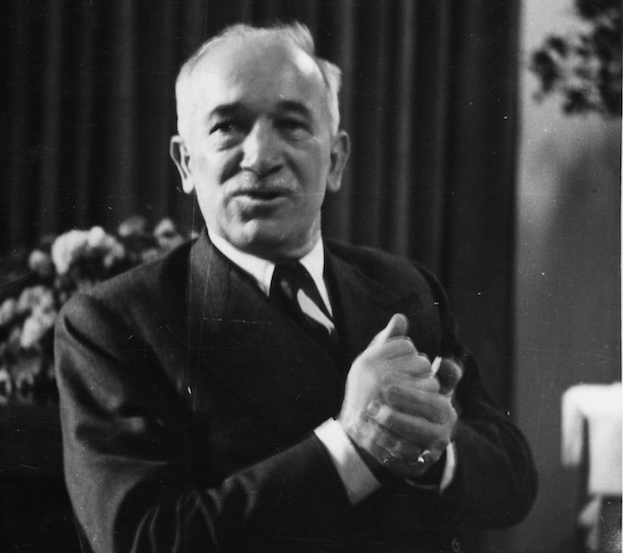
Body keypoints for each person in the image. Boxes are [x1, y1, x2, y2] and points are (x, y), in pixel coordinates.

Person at [55, 22, 537, 553]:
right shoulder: (113, 323)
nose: (261, 157)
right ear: (186, 163)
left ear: (336, 160)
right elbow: (145, 540)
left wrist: (431, 450)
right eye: (227, 127)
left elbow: (513, 480)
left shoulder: (406, 287)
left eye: (291, 124)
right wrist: (353, 446)